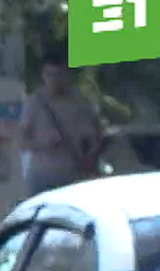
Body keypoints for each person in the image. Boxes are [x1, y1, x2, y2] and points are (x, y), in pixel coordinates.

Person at [18, 51, 104, 197]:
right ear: (43, 76)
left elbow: (95, 136)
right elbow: (21, 141)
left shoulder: (80, 103)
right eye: (49, 75)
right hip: (42, 175)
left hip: (72, 174)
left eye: (58, 75)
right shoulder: (34, 103)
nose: (53, 80)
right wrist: (44, 142)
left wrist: (90, 156)